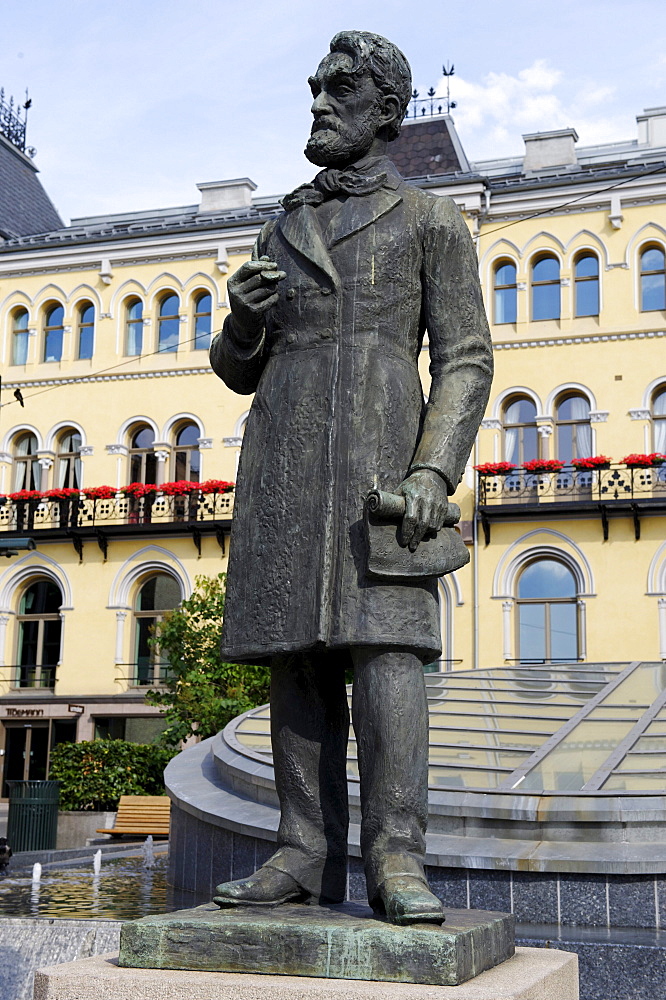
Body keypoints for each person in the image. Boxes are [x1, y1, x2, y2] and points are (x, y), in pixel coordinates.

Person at [210, 30, 492, 925]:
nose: (320, 102)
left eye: (340, 89)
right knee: (294, 660)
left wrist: (432, 471)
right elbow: (235, 370)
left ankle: (397, 857)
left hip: (381, 457)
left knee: (385, 659)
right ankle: (300, 851)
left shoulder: (430, 220)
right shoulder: (282, 220)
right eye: (316, 87)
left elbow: (466, 359)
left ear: (385, 112)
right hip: (287, 457)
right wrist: (241, 324)